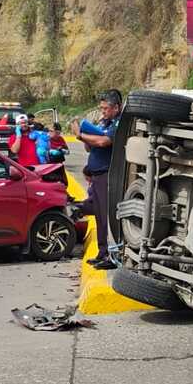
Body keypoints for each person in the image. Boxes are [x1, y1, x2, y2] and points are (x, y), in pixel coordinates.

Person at [71, 90, 122, 270]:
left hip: (108, 174)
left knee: (107, 217)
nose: (103, 112)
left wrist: (80, 134)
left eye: (106, 109)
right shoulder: (104, 122)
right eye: (101, 108)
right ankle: (102, 252)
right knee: (100, 216)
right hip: (97, 175)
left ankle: (112, 254)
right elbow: (89, 148)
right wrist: (86, 134)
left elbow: (103, 142)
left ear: (116, 107)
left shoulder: (118, 123)